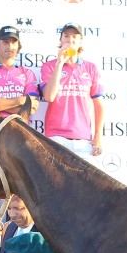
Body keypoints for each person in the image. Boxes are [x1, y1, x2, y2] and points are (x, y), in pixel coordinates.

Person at [39, 22, 104, 160]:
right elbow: (49, 97)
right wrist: (60, 63)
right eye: (66, 36)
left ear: (81, 41)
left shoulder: (91, 68)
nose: (70, 40)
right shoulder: (49, 67)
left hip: (83, 139)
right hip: (56, 138)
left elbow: (99, 105)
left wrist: (97, 137)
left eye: (75, 36)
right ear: (61, 40)